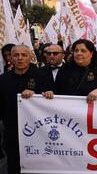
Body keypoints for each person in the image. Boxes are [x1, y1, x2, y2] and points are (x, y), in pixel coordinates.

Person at [0, 45, 50, 174]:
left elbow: (51, 102)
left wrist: (39, 95)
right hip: (12, 132)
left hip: (38, 132)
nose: (20, 58)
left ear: (31, 57)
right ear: (10, 58)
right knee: (13, 164)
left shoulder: (42, 77)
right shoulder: (3, 79)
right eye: (16, 55)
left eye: (24, 55)